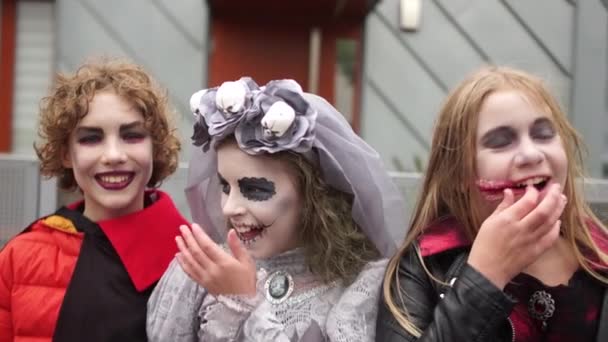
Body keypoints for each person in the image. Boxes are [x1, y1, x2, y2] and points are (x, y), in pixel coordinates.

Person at [146, 77, 406, 341]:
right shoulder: (199, 272)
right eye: (225, 186)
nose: (229, 208)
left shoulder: (362, 286)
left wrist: (243, 303)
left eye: (255, 189)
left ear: (314, 196)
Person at [375, 66, 608, 342]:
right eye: (500, 142)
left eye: (544, 134)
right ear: (460, 173)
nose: (531, 154)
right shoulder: (422, 268)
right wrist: (485, 276)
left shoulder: (600, 257)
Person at [0, 58, 189, 342]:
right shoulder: (19, 257)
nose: (113, 155)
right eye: (91, 138)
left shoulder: (194, 259)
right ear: (66, 154)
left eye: (132, 135)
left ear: (155, 147)